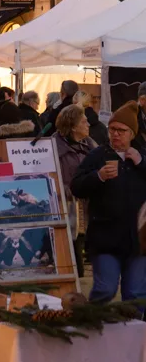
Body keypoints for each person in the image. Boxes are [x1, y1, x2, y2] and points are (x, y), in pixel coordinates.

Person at [71, 100, 146, 301]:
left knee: (136, 295)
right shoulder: (97, 156)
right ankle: (96, 328)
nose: (115, 134)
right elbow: (76, 186)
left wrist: (141, 163)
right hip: (105, 237)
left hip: (138, 240)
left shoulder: (141, 156)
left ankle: (135, 332)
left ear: (132, 133)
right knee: (105, 289)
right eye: (112, 129)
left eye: (121, 130)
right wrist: (99, 176)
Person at [53, 104, 96, 276]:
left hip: (88, 206)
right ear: (72, 126)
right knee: (72, 250)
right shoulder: (54, 147)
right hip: (66, 207)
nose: (88, 124)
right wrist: (67, 190)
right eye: (84, 121)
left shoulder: (90, 145)